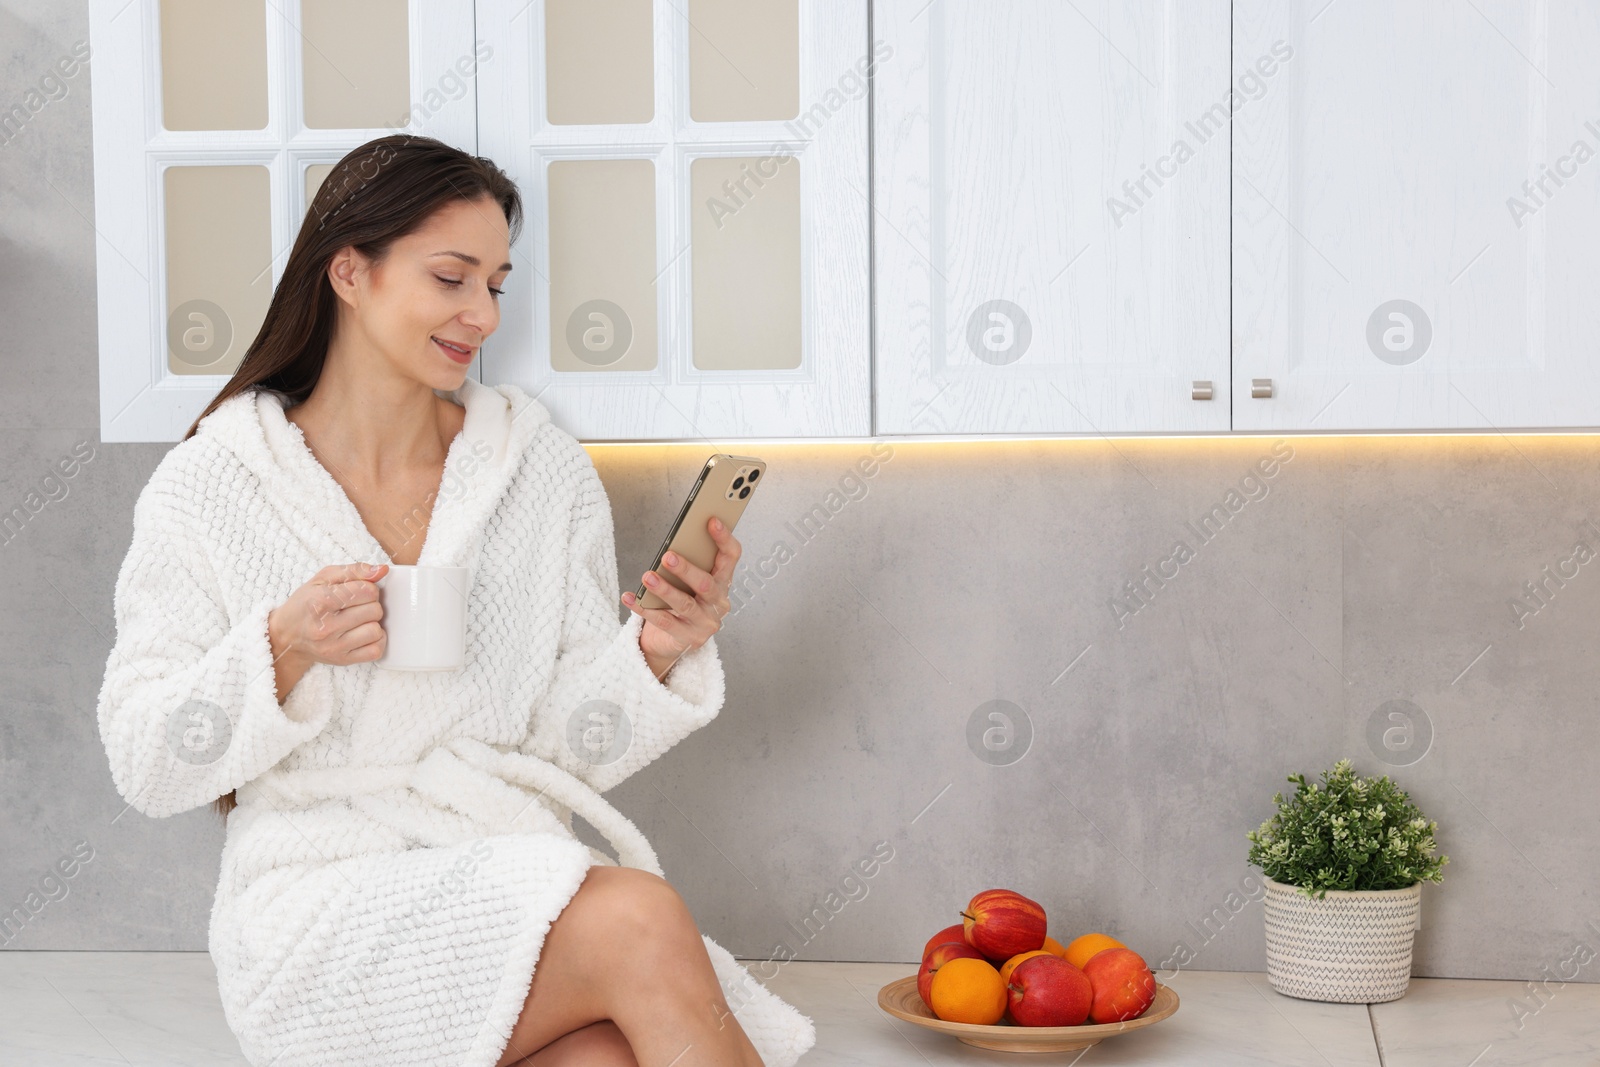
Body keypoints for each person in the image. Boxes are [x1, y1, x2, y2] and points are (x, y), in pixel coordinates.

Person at [95, 135, 814, 1067]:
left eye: (497, 285)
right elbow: (148, 759)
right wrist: (283, 645)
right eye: (451, 277)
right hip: (315, 907)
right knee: (636, 915)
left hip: (493, 866)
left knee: (605, 1057)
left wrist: (655, 653)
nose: (482, 314)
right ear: (348, 271)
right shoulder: (214, 485)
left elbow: (563, 747)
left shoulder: (536, 472)